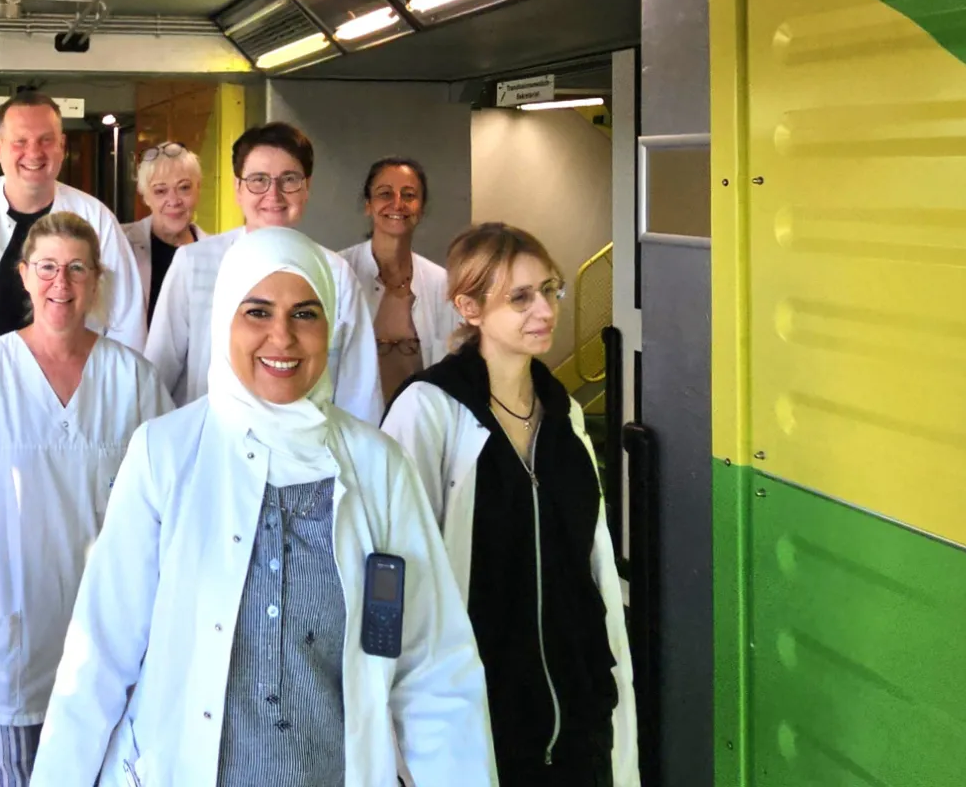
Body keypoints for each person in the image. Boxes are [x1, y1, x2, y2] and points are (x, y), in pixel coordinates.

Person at [33, 227, 496, 786]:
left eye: (305, 314)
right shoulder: (166, 454)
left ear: (331, 327)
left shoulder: (380, 468)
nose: (282, 337)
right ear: (223, 320)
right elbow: (99, 656)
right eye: (257, 312)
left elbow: (434, 671)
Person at [380, 223, 637, 787]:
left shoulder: (563, 412)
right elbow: (397, 573)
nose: (544, 310)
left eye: (549, 290)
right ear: (469, 307)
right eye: (520, 298)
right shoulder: (430, 411)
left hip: (580, 711)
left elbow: (589, 561)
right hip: (483, 716)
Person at [0, 211, 175, 786]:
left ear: (97, 279)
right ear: (24, 275)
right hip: (8, 638)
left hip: (111, 637)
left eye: (77, 269)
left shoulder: (135, 380)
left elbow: (166, 514)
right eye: (47, 268)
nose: (61, 283)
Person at [144, 122, 383, 423]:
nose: (274, 194)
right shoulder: (194, 263)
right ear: (237, 188)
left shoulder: (336, 274)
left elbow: (359, 390)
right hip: (212, 440)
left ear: (307, 188)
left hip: (308, 444)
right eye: (258, 180)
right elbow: (156, 378)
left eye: (289, 180)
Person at [0, 91, 146, 352]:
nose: (33, 153)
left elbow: (127, 321)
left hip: (74, 376)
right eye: (20, 141)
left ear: (62, 146)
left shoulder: (97, 219)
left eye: (46, 140)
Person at [336, 157, 460, 401]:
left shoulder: (441, 284)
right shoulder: (338, 272)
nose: (397, 204)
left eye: (409, 195)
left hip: (421, 421)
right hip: (352, 421)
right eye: (385, 194)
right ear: (368, 205)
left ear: (421, 208)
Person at [120, 141, 204, 321]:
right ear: (145, 196)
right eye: (160, 191)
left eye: (184, 188)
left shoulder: (219, 252)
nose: (173, 201)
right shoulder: (120, 244)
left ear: (198, 188)